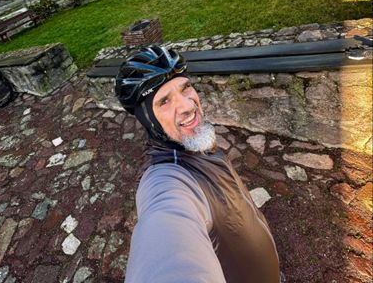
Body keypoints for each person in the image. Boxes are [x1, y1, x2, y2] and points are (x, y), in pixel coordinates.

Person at [115, 45, 281, 283]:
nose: (187, 106)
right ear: (147, 118)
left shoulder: (191, 141)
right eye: (164, 101)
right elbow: (167, 226)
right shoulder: (166, 180)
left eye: (186, 87)